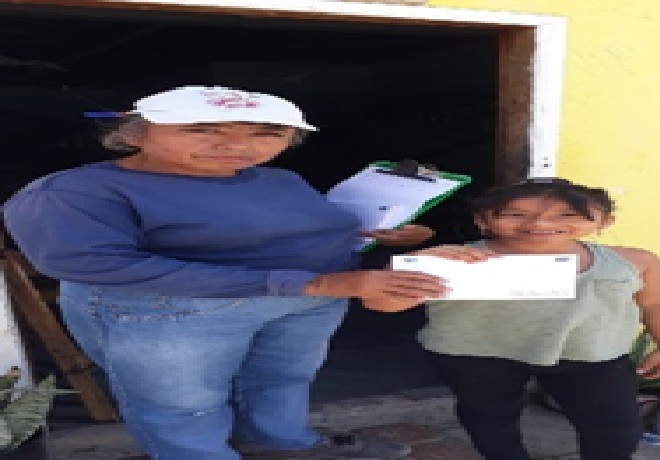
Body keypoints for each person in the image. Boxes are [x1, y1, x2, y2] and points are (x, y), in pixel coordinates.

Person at [2, 85, 449, 460]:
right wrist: (314, 282)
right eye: (202, 129)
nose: (238, 146)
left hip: (309, 299)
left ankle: (281, 444)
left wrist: (375, 235)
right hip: (173, 311)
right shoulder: (73, 192)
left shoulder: (278, 180)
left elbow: (298, 229)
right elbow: (99, 263)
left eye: (267, 133)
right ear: (134, 131)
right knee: (183, 405)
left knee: (282, 380)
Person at [361, 178, 660, 460]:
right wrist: (409, 265)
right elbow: (382, 304)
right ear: (482, 220)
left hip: (591, 355)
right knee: (489, 416)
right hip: (476, 354)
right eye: (515, 214)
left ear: (606, 221)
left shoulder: (633, 261)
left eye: (567, 215)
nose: (540, 223)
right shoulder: (453, 260)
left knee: (614, 425)